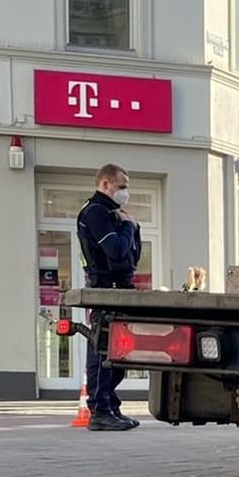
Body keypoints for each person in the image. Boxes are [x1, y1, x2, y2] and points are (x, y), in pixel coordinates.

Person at [76, 163, 141, 431]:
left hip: (118, 287)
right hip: (106, 288)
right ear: (105, 184)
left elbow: (131, 256)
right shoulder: (95, 212)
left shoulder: (113, 213)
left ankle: (110, 405)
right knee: (104, 349)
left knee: (118, 351)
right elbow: (115, 250)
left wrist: (131, 229)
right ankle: (100, 409)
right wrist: (127, 229)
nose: (125, 193)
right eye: (121, 187)